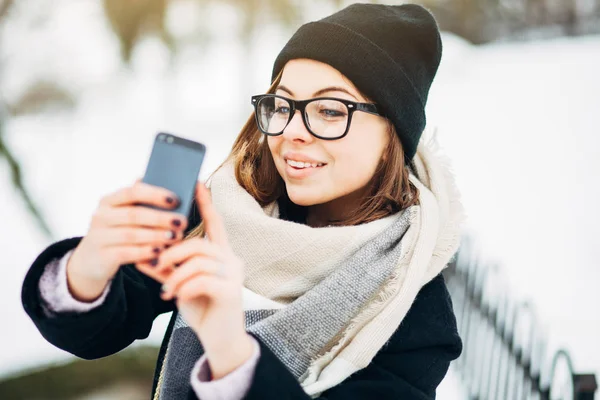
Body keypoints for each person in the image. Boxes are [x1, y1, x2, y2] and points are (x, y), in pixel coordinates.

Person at [21, 3, 466, 399]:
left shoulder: (412, 309)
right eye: (283, 105)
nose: (292, 131)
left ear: (394, 136)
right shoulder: (227, 211)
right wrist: (88, 271)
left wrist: (231, 351)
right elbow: (101, 329)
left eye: (330, 110)